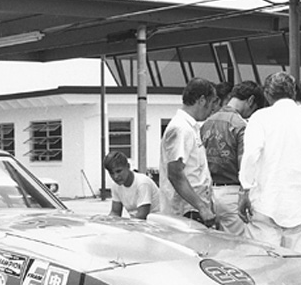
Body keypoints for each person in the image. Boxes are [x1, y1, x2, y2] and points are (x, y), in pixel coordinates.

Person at [238, 71, 301, 258]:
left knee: (263, 265)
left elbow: (251, 156)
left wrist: (245, 189)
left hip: (266, 202)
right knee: (298, 267)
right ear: (293, 93)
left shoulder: (260, 118)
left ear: (267, 94)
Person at [200, 81, 264, 236]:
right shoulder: (241, 125)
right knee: (239, 248)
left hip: (210, 193)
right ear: (250, 101)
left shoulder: (207, 122)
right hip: (233, 193)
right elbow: (245, 164)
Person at [159, 77, 219, 227]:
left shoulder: (190, 127)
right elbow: (175, 173)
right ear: (202, 100)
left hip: (193, 209)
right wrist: (202, 207)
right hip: (186, 212)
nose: (212, 110)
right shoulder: (181, 128)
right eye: (212, 103)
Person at [103, 151, 159, 219]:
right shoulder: (116, 185)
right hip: (137, 223)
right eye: (111, 173)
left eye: (119, 171)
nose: (116, 176)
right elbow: (115, 212)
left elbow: (142, 216)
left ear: (128, 166)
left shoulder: (142, 183)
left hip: (156, 224)